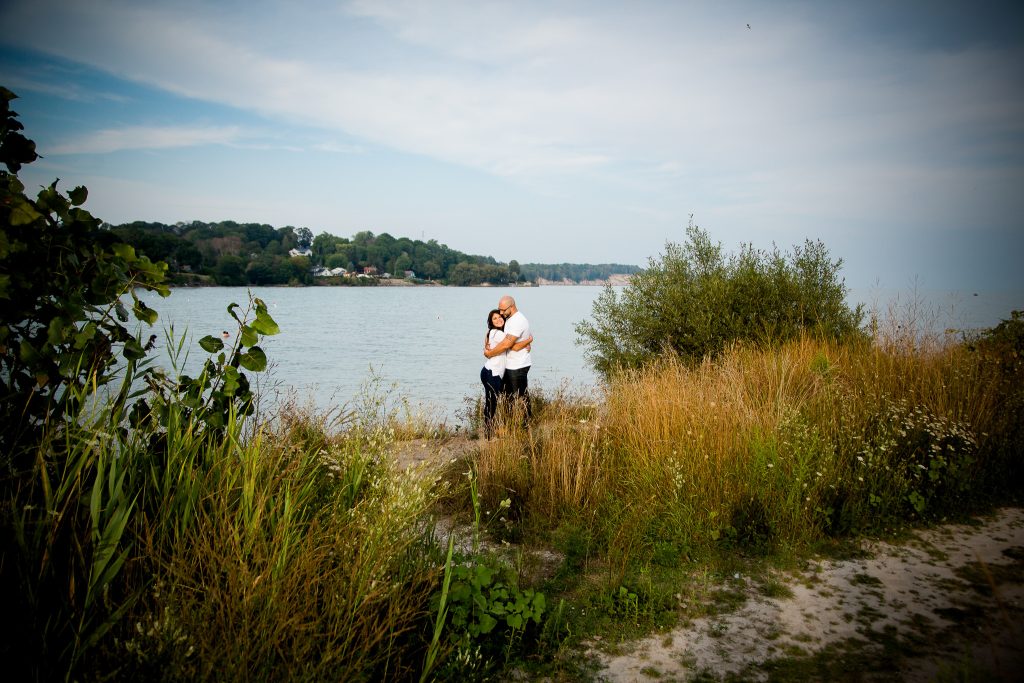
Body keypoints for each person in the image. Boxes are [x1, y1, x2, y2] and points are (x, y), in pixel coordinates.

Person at [480, 308, 532, 438]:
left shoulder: (494, 333)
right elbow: (513, 346)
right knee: (492, 403)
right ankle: (488, 433)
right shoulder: (497, 333)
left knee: (492, 401)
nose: (498, 320)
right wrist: (529, 340)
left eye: (500, 317)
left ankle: (495, 429)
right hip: (492, 373)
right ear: (491, 322)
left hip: (490, 372)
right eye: (494, 318)